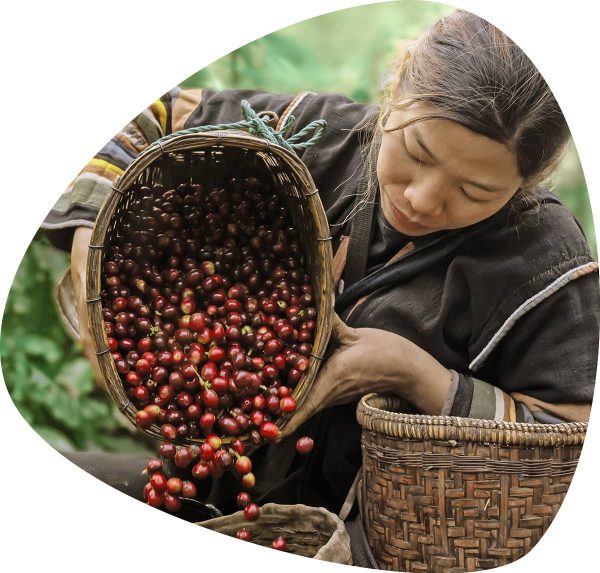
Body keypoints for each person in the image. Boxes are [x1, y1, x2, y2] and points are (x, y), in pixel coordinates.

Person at [42, 9, 598, 519]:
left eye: (476, 190)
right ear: (396, 95)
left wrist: (417, 376)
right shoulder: (319, 133)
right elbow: (143, 118)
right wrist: (91, 243)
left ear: (527, 182)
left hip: (377, 536)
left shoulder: (544, 264)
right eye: (416, 152)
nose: (423, 199)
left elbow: (570, 441)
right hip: (208, 485)